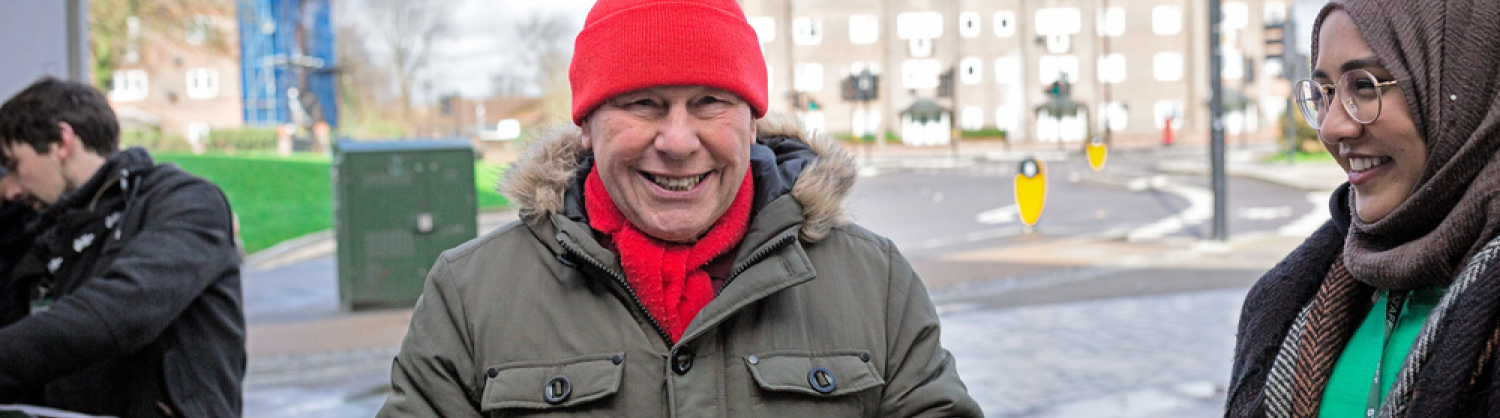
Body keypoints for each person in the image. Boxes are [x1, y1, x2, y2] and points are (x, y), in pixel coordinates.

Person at [377, 0, 981, 416]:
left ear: (751, 123)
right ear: (586, 124)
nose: (678, 140)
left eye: (710, 101)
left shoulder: (874, 283)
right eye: (643, 103)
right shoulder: (470, 294)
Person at [1226, 0, 1500, 416]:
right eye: (1325, 94)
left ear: (1469, 84)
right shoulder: (1285, 301)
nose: (1334, 126)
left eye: (1366, 86)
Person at [0, 78, 245, 417]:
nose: (9, 189)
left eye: (13, 165)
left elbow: (120, 311)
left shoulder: (185, 202)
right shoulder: (47, 236)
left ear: (61, 142)